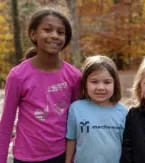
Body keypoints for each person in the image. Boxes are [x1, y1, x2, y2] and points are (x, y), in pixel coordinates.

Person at [0, 8, 81, 163]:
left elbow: (76, 120)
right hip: (26, 157)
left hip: (61, 155)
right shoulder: (18, 75)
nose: (54, 36)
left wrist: (73, 156)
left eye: (60, 32)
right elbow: (6, 123)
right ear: (33, 34)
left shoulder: (74, 76)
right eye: (47, 29)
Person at [65, 55, 128, 163]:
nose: (100, 87)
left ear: (115, 84)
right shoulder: (76, 108)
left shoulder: (123, 112)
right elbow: (71, 139)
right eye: (94, 82)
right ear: (85, 83)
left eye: (107, 82)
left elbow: (126, 146)